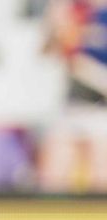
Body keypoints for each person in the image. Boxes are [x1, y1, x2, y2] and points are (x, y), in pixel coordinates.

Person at [40, 0, 107, 192]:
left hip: (101, 111)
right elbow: (48, 51)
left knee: (101, 176)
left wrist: (86, 68)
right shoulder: (74, 11)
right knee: (53, 177)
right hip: (72, 107)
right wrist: (53, 25)